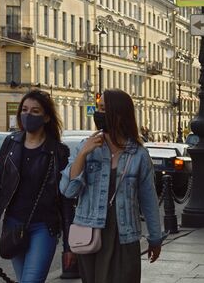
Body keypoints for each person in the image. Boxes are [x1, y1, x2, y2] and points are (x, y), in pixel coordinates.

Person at [0, 89, 76, 283]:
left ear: (46, 117)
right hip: (13, 226)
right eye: (24, 110)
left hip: (44, 227)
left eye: (35, 111)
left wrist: (69, 246)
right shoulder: (11, 143)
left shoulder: (58, 152)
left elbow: (66, 201)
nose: (28, 115)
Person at [60, 89, 163, 283]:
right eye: (98, 108)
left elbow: (149, 200)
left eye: (104, 109)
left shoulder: (138, 155)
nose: (98, 114)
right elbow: (67, 190)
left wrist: (155, 238)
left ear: (119, 114)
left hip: (124, 236)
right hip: (91, 234)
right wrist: (83, 154)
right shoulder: (87, 147)